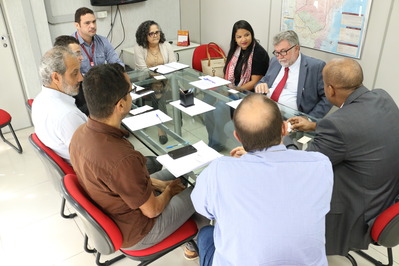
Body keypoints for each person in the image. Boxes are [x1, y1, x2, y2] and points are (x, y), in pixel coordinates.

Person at [69, 64, 199, 259]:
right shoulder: (122, 157)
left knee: (179, 169)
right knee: (204, 189)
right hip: (141, 232)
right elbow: (153, 210)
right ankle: (200, 241)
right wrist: (169, 190)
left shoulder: (79, 135)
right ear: (121, 105)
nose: (132, 95)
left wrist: (163, 185)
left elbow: (124, 184)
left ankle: (186, 219)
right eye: (130, 92)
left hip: (120, 208)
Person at [192, 94, 334, 266]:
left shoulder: (219, 170)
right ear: (284, 129)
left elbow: (204, 210)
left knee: (206, 233)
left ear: (237, 136)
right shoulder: (320, 164)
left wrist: (249, 161)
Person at [286, 58, 399, 256]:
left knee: (290, 192)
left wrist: (283, 139)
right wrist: (315, 125)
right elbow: (359, 127)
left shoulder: (338, 125)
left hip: (358, 213)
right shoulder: (382, 96)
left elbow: (301, 167)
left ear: (330, 89)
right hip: (388, 195)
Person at [205, 20, 270, 151]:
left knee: (219, 107)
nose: (243, 40)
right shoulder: (236, 50)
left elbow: (255, 82)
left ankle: (216, 144)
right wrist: (223, 87)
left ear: (252, 34)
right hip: (233, 89)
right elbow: (228, 73)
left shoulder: (259, 53)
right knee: (207, 102)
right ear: (234, 39)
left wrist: (231, 91)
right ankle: (214, 138)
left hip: (247, 93)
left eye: (246, 35)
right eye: (239, 37)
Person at [255, 30, 332, 119]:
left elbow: (328, 98)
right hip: (265, 111)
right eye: (277, 52)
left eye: (283, 52)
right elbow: (263, 81)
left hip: (293, 119)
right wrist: (260, 85)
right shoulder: (274, 61)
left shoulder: (315, 67)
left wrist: (309, 120)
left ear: (296, 48)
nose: (279, 57)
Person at [32, 46, 86, 163]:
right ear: (56, 77)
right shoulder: (68, 115)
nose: (81, 78)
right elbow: (91, 158)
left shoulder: (39, 100)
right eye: (75, 73)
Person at [133, 20, 176, 145]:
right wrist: (159, 77)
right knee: (159, 94)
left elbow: (173, 65)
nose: (155, 35)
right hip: (146, 81)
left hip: (165, 79)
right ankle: (161, 130)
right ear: (144, 36)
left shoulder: (166, 45)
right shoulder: (139, 48)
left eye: (157, 32)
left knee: (176, 90)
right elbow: (142, 70)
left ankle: (176, 118)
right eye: (151, 33)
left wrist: (163, 78)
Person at [72, 7, 124, 76]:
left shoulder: (103, 41)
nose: (93, 26)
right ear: (77, 25)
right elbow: (71, 74)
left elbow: (118, 64)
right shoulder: (70, 45)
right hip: (81, 84)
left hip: (101, 82)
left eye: (94, 22)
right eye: (87, 23)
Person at [54, 35, 88, 115]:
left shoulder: (81, 74)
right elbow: (76, 112)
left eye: (80, 54)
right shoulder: (62, 83)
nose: (81, 58)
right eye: (77, 54)